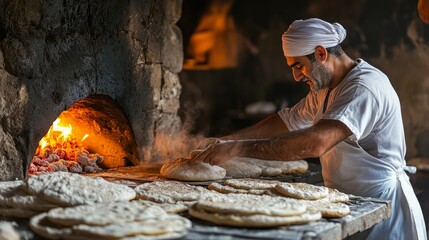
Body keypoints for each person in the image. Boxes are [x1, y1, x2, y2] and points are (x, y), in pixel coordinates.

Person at [189, 18, 427, 240]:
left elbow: (317, 142)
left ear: (321, 53)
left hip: (384, 210)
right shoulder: (326, 88)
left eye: (299, 66)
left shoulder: (363, 88)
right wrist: (225, 141)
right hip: (350, 205)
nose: (295, 76)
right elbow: (288, 120)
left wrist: (237, 149)